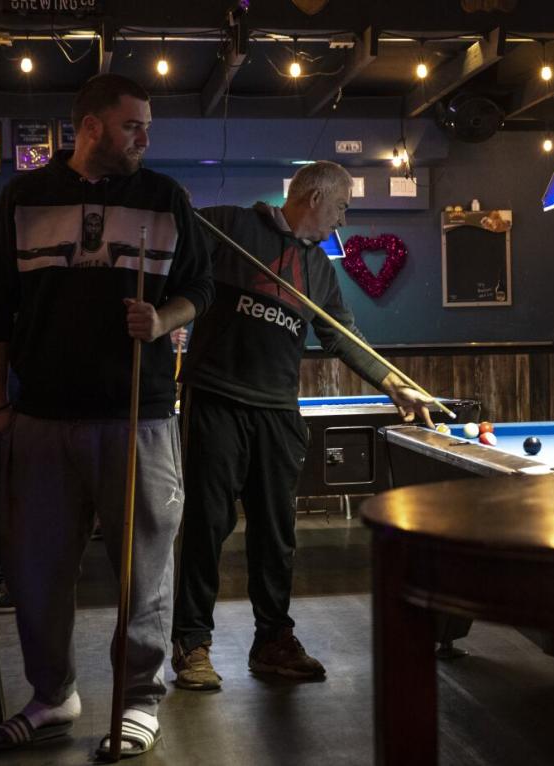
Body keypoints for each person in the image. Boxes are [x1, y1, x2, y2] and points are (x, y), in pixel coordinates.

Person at [0, 73, 212, 759]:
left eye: (147, 126)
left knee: (143, 570)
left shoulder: (164, 198)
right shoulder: (24, 197)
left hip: (139, 415)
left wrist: (162, 317)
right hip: (40, 417)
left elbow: (199, 287)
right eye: (132, 125)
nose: (145, 137)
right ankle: (53, 696)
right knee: (37, 571)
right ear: (90, 127)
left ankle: (138, 701)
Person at [171, 160, 432, 691]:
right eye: (341, 207)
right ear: (313, 197)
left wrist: (391, 382)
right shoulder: (229, 226)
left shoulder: (321, 271)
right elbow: (172, 241)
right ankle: (192, 643)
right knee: (207, 524)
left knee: (276, 532)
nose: (343, 219)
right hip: (217, 398)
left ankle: (272, 640)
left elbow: (342, 335)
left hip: (276, 410)